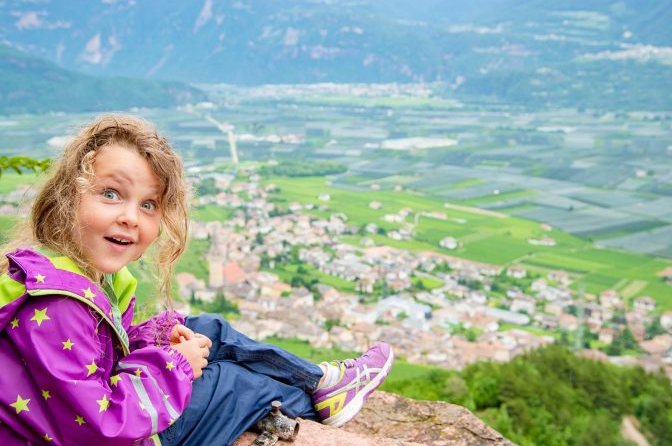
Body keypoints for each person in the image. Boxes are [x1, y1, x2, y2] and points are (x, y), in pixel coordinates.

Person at [0, 114, 394, 446]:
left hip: (97, 418)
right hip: (122, 437)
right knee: (232, 383)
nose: (130, 217)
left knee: (207, 329)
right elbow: (100, 425)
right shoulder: (56, 304)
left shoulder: (83, 276)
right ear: (68, 198)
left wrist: (158, 344)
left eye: (149, 204)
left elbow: (101, 358)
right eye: (110, 194)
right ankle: (313, 405)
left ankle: (323, 383)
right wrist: (174, 368)